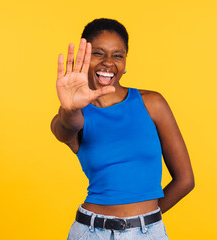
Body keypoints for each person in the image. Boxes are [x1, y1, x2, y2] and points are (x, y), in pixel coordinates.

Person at [50, 18, 194, 240]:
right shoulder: (73, 114)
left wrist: (144, 222)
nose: (108, 62)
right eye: (98, 53)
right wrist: (69, 108)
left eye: (117, 55)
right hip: (90, 232)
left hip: (147, 233)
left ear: (125, 63)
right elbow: (66, 129)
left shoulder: (152, 103)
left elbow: (185, 180)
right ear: (84, 57)